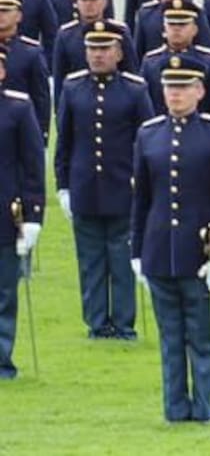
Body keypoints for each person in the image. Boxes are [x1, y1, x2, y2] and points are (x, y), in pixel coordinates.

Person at [131, 53, 210, 422]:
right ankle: (175, 408)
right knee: (170, 338)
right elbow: (142, 200)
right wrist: (137, 251)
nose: (175, 94)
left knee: (201, 336)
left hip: (202, 249)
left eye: (182, 87)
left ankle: (204, 407)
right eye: (169, 87)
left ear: (199, 91)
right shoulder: (148, 134)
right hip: (160, 248)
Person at [55, 20, 153, 340]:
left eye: (104, 48)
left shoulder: (135, 89)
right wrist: (63, 185)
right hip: (85, 187)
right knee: (90, 260)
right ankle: (97, 323)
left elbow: (147, 141)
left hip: (124, 188)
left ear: (119, 52)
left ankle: (124, 324)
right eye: (92, 49)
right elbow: (65, 141)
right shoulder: (72, 87)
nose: (97, 55)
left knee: (122, 259)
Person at [0, 49, 45, 380]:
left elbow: (33, 166)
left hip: (4, 212)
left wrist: (33, 216)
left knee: (3, 292)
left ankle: (1, 359)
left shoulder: (18, 107)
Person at [141, 0, 210, 115]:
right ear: (164, 29)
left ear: (194, 30)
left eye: (182, 24)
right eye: (171, 24)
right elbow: (146, 106)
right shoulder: (150, 62)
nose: (176, 28)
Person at [51, 0, 137, 89]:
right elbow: (60, 78)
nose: (89, 4)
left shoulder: (119, 31)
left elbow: (130, 72)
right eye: (84, 0)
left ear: (105, 2)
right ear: (76, 2)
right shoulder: (65, 35)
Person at [0, 0, 51, 141]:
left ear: (19, 16)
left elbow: (40, 97)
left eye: (6, 10)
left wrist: (41, 135)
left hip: (19, 131)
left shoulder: (31, 52)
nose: (0, 15)